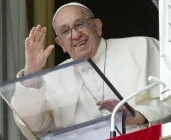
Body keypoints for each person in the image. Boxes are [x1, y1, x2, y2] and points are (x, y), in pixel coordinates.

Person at [10, 2, 171, 140]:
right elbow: (34, 126)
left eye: (79, 24)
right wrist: (31, 74)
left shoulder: (143, 47)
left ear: (97, 27)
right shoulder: (52, 78)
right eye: (65, 31)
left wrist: (137, 115)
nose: (75, 35)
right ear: (61, 44)